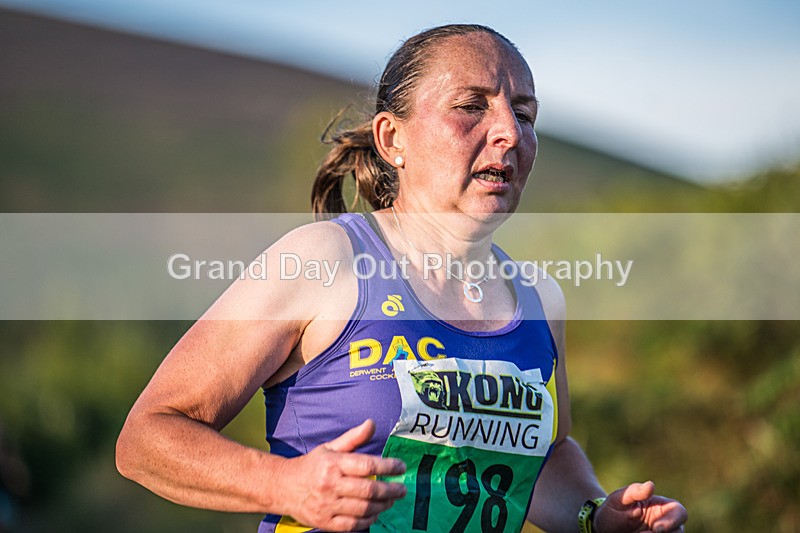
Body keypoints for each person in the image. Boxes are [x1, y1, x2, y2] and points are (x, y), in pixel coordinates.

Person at [116, 24, 688, 533]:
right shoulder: (324, 260)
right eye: (471, 106)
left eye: (525, 113)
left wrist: (596, 516)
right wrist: (283, 486)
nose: (509, 132)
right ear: (393, 140)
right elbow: (147, 439)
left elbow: (545, 456)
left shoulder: (540, 297)